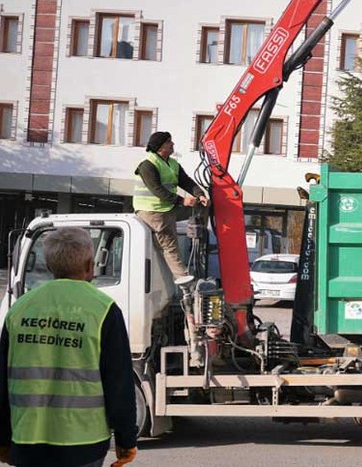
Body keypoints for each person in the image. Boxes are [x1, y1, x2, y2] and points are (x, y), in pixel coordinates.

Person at [0, 227, 137, 467]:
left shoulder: (20, 309)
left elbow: (2, 381)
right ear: (89, 265)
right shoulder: (104, 310)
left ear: (50, 266)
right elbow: (119, 383)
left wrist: (2, 438)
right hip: (84, 443)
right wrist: (126, 439)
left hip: (27, 441)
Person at [132, 131, 208, 285]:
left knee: (166, 248)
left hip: (167, 210)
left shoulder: (172, 163)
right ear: (160, 147)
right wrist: (182, 201)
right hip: (152, 212)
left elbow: (186, 181)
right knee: (170, 247)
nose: (172, 144)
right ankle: (186, 284)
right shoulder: (148, 165)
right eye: (169, 142)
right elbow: (157, 190)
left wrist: (200, 194)